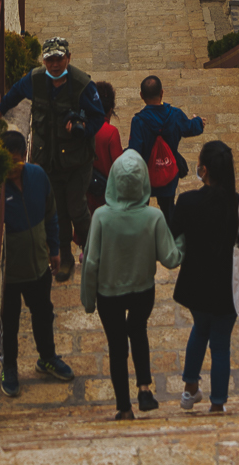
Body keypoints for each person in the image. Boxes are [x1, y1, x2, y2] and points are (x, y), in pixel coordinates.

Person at [80, 151, 182, 421]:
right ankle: (145, 389)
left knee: (116, 346)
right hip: (142, 291)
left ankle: (124, 407)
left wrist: (88, 301)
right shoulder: (153, 217)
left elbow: (91, 262)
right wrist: (184, 240)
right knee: (138, 331)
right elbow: (171, 258)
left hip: (108, 293)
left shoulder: (101, 216)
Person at [0, 38, 105, 280]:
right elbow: (15, 92)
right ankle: (65, 257)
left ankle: (92, 251)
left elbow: (98, 117)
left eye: (59, 59)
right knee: (58, 210)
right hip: (48, 161)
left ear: (69, 57)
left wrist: (83, 127)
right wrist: (0, 110)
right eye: (49, 60)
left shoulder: (83, 84)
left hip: (77, 161)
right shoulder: (34, 80)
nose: (54, 65)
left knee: (77, 208)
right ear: (43, 60)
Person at [168, 140, 239, 413]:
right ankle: (217, 405)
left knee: (199, 331)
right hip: (226, 292)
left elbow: (173, 236)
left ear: (205, 170)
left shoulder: (186, 202)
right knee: (221, 345)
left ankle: (189, 391)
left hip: (196, 287)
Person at [0, 127, 75, 397]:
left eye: (17, 161)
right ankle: (9, 368)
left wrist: (54, 249)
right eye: (7, 162)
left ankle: (47, 358)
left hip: (39, 266)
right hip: (8, 274)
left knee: (43, 314)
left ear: (24, 157)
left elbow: (51, 213)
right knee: (9, 323)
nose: (13, 168)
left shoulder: (38, 177)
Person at [129, 75, 204, 216]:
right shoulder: (175, 115)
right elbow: (190, 128)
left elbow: (135, 151)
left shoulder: (138, 121)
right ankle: (170, 234)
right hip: (168, 173)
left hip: (146, 177)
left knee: (140, 211)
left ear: (141, 95)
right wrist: (199, 121)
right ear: (162, 93)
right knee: (168, 209)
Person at [90, 81, 123, 211]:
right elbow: (119, 167)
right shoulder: (110, 133)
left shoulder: (83, 128)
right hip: (106, 195)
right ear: (110, 110)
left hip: (85, 194)